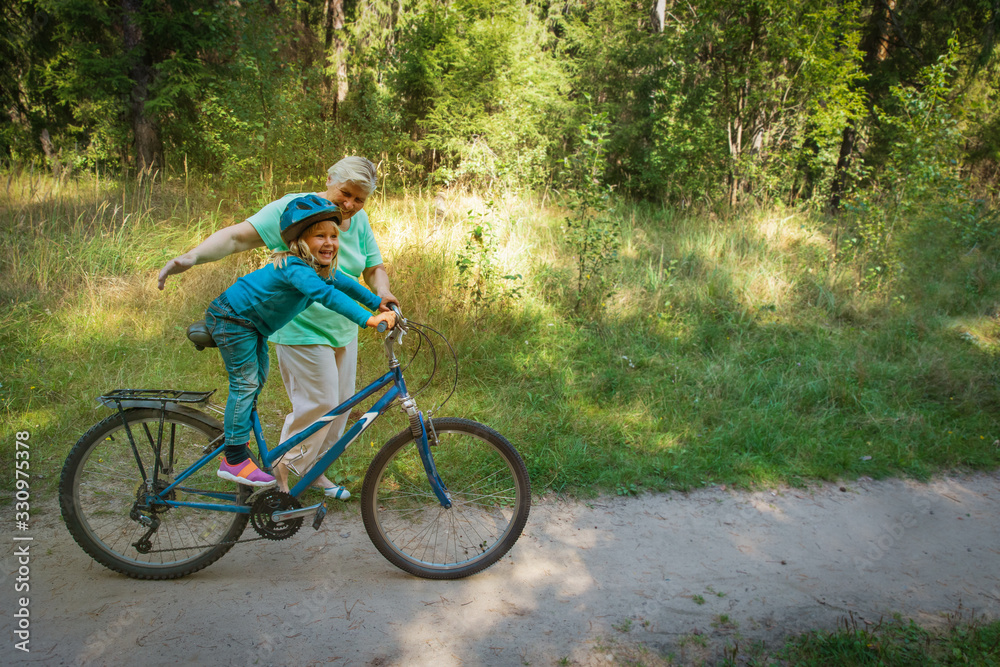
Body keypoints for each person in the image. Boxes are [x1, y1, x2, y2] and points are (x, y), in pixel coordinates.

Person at [159, 157, 398, 498]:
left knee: (341, 405)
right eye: (345, 194)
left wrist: (380, 299)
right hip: (289, 329)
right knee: (315, 402)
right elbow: (238, 238)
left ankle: (312, 471)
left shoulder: (351, 222)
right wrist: (192, 257)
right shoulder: (296, 214)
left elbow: (355, 275)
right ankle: (268, 473)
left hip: (337, 331)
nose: (350, 205)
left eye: (359, 199)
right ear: (329, 179)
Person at [208, 195, 395, 486]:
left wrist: (378, 303)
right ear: (299, 242)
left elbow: (343, 282)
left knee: (257, 379)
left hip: (252, 324)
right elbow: (327, 295)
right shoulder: (296, 268)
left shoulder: (318, 269)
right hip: (231, 319)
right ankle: (233, 459)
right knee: (245, 382)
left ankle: (249, 441)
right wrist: (368, 319)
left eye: (334, 235)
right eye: (320, 235)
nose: (329, 242)